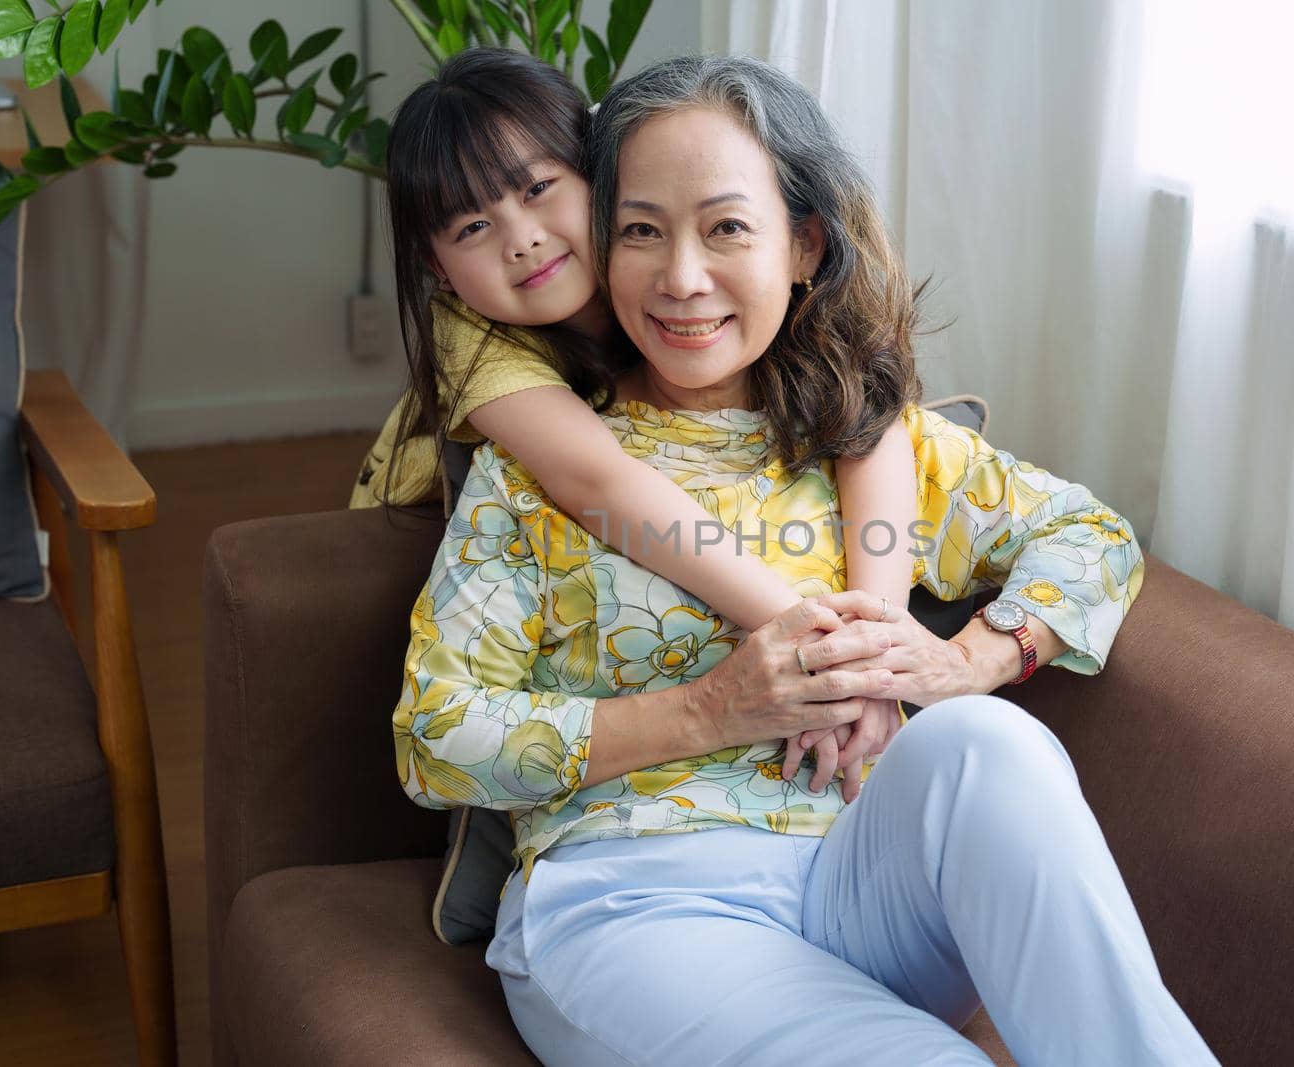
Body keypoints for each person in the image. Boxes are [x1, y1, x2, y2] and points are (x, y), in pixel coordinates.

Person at [392, 53, 1215, 1066]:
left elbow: (1091, 538)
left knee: (987, 749)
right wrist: (711, 707)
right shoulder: (537, 475)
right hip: (637, 902)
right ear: (605, 245)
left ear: (802, 243)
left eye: (727, 227)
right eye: (642, 230)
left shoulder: (876, 440)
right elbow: (434, 736)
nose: (681, 277)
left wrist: (967, 663)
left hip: (861, 880)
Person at [360, 48, 919, 794]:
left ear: (599, 175)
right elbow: (598, 477)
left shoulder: (678, 278)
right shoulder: (471, 331)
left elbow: (867, 416)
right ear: (436, 267)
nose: (519, 237)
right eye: (471, 228)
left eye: (536, 189)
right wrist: (818, 645)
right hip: (422, 532)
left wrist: (874, 644)